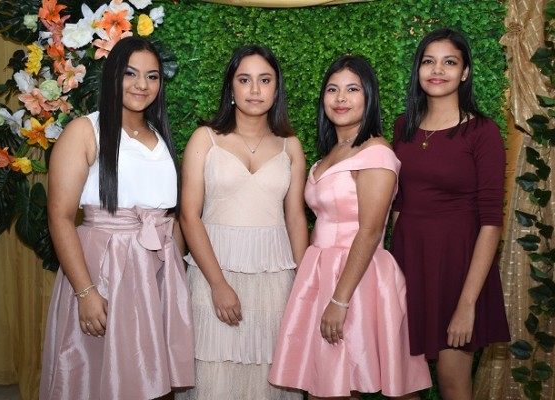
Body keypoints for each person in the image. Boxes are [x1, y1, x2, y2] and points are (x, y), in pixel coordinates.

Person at [39, 36, 194, 400]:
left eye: (152, 76)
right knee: (97, 377)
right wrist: (85, 292)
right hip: (105, 272)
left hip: (156, 274)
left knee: (152, 380)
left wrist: (176, 282)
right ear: (112, 75)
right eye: (130, 73)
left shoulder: (160, 136)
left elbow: (170, 217)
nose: (142, 84)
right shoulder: (85, 131)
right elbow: (60, 217)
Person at [268, 55, 431, 400]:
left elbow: (370, 231)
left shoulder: (376, 153)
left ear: (369, 96)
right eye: (332, 89)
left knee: (382, 388)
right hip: (321, 272)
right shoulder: (331, 153)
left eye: (352, 89)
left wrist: (339, 301)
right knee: (327, 386)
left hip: (359, 278)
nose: (341, 98)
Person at [179, 45, 308, 399]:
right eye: (244, 79)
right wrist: (218, 284)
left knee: (270, 372)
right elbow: (189, 215)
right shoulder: (205, 138)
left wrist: (306, 284)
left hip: (274, 276)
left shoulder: (290, 145)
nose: (254, 89)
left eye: (265, 80)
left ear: (276, 88)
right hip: (213, 270)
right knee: (213, 372)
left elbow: (295, 217)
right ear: (231, 87)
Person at [390, 28, 511, 400]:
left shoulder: (483, 132)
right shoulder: (402, 127)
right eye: (429, 61)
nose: (437, 70)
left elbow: (491, 222)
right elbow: (397, 205)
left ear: (465, 72)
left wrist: (467, 304)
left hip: (458, 270)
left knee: (453, 383)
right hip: (407, 264)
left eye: (449, 62)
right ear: (418, 69)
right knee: (399, 384)